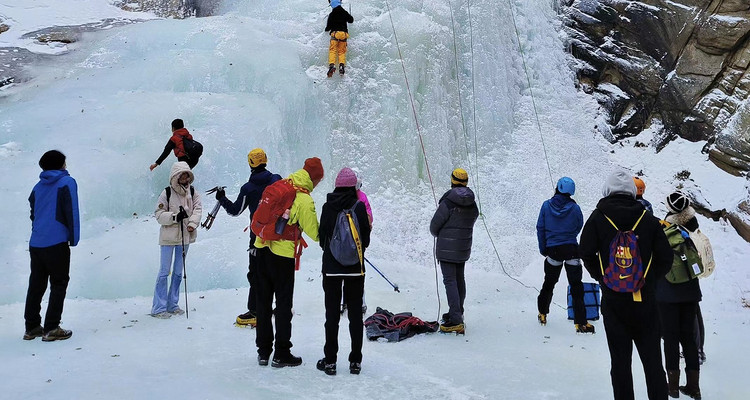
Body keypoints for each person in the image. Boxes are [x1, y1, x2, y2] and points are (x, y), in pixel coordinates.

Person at [579, 170, 673, 400]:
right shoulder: (648, 219)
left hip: (614, 302)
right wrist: (648, 282)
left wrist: (603, 279)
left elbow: (585, 252)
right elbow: (666, 258)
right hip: (646, 302)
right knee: (652, 363)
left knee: (620, 364)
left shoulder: (598, 218)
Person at [254, 157, 323, 368]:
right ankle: (282, 352)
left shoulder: (281, 184)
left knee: (263, 303)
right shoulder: (303, 199)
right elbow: (314, 232)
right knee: (283, 304)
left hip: (260, 247)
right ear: (315, 178)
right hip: (282, 256)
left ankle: (264, 351)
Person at [215, 148, 282, 326]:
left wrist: (222, 199)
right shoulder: (277, 180)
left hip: (258, 237)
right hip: (278, 234)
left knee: (256, 274)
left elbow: (235, 211)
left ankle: (255, 310)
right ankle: (278, 305)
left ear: (250, 163)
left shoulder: (248, 188)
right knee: (274, 270)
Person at [316, 167, 371, 376]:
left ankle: (330, 361)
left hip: (331, 270)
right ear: (353, 187)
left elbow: (322, 239)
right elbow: (365, 239)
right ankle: (355, 362)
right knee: (355, 316)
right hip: (355, 270)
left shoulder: (327, 207)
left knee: (332, 315)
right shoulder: (358, 208)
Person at [24, 150, 80, 342]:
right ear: (61, 164)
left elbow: (34, 213)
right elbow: (71, 211)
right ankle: (51, 327)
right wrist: (73, 238)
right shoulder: (67, 182)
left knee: (36, 284)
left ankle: (31, 327)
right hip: (56, 242)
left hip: (36, 242)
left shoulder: (37, 187)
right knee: (59, 283)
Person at [657, 191, 703, 399]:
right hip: (691, 290)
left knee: (670, 339)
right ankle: (694, 387)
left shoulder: (665, 229)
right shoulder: (693, 226)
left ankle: (673, 387)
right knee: (689, 339)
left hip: (668, 294)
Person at [535, 177, 594, 333]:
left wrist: (544, 248)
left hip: (553, 251)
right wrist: (569, 236)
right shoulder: (575, 208)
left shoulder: (546, 206)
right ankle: (581, 322)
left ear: (557, 188)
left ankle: (543, 313)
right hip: (572, 249)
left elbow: (540, 228)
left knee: (549, 283)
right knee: (576, 286)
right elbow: (578, 225)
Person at [429, 168, 479, 334]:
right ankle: (457, 312)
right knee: (459, 280)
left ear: (452, 181)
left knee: (450, 281)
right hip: (462, 248)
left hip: (446, 249)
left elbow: (434, 226)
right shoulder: (472, 202)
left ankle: (456, 320)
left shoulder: (448, 202)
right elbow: (474, 216)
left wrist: (443, 234)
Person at [151, 161, 203, 318]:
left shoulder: (193, 192)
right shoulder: (166, 193)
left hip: (185, 237)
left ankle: (172, 304)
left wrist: (192, 224)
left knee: (179, 273)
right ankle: (158, 308)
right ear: (175, 177)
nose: (185, 179)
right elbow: (159, 215)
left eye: (187, 175)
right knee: (164, 272)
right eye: (182, 176)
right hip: (168, 238)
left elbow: (198, 209)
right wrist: (175, 217)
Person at [325, 0, 354, 77]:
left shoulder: (332, 14)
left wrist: (326, 30)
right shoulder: (344, 12)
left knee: (333, 50)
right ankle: (341, 66)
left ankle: (332, 65)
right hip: (343, 35)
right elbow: (351, 20)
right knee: (342, 52)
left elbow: (328, 27)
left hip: (335, 34)